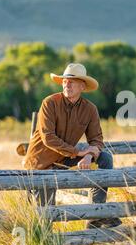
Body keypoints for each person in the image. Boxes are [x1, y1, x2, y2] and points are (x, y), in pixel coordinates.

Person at [22, 63, 120, 228]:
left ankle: (96, 213)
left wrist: (88, 155)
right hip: (41, 164)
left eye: (72, 81)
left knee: (105, 158)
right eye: (65, 81)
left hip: (65, 159)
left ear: (82, 86)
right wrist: (77, 152)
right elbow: (48, 138)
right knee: (44, 217)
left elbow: (97, 139)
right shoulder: (49, 103)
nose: (67, 84)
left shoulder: (90, 109)